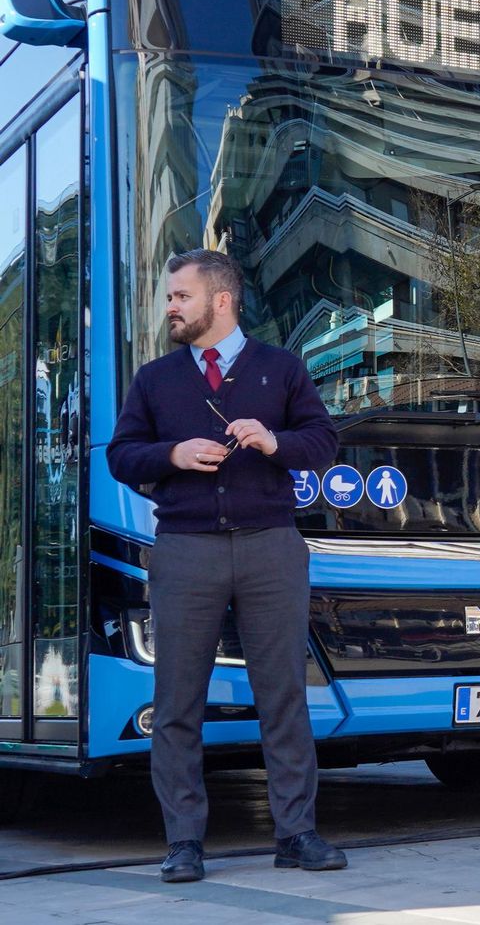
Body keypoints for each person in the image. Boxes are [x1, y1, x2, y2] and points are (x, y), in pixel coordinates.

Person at [108, 249, 345, 881]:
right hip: (185, 551)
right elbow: (122, 456)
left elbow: (323, 443)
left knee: (284, 698)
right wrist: (172, 454)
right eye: (168, 298)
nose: (170, 308)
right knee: (177, 699)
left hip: (272, 546)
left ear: (220, 300)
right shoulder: (155, 379)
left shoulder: (281, 368)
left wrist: (275, 443)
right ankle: (183, 841)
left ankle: (296, 833)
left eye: (180, 297)